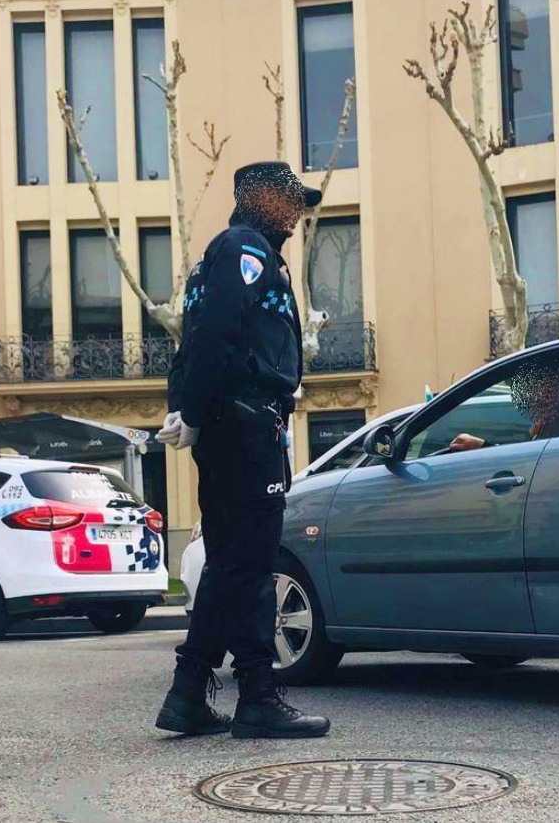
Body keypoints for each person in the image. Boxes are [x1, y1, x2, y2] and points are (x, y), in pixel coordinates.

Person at [152, 161, 330, 740]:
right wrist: (194, 412)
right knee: (251, 562)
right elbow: (217, 332)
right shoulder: (242, 248)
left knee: (229, 561)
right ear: (260, 198)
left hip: (237, 424)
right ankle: (257, 697)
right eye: (292, 201)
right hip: (247, 428)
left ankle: (187, 693)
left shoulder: (227, 254)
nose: (298, 214)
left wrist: (187, 409)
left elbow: (196, 335)